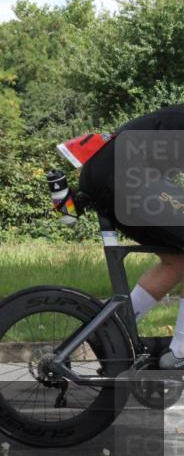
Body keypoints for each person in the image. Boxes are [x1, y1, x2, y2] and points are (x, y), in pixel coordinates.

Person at [78, 104, 184, 369]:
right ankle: (180, 353)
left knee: (177, 262)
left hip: (111, 171)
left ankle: (106, 331)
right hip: (122, 173)